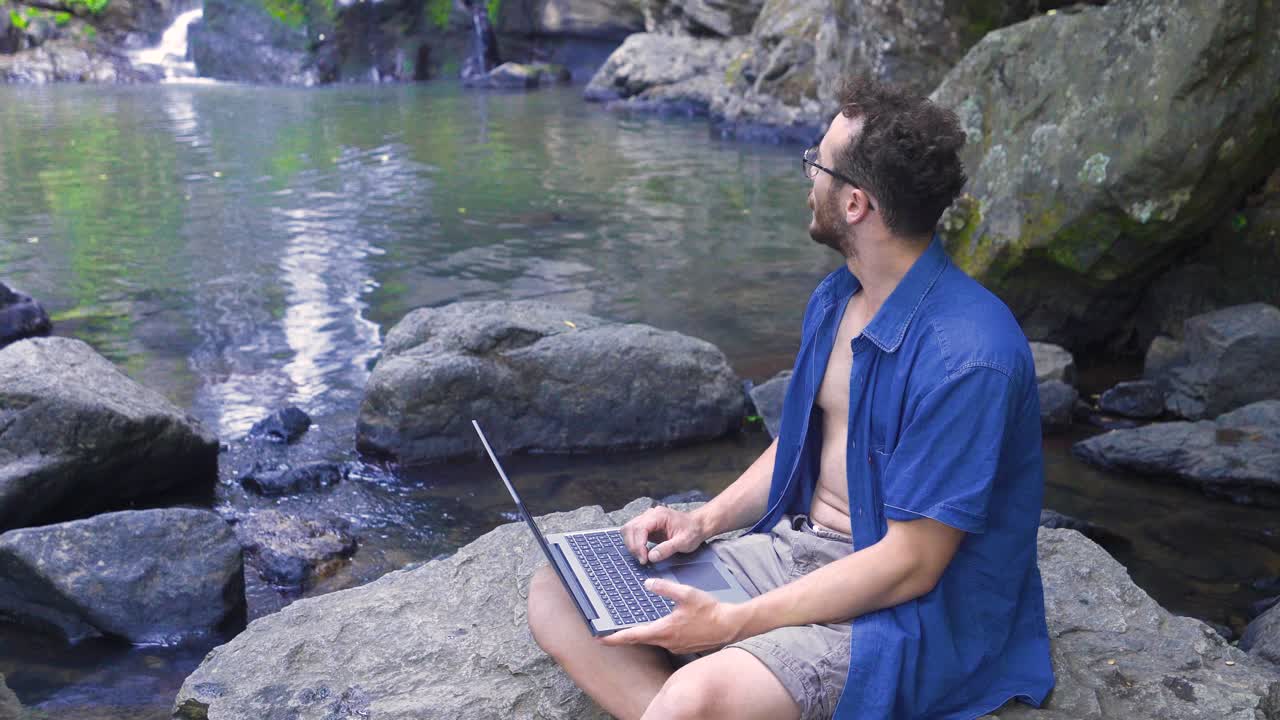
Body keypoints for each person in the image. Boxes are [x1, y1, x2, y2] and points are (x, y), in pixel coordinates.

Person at [526, 76, 1055, 720]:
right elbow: (799, 443)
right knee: (562, 593)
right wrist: (705, 520)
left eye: (817, 162)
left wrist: (733, 624)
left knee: (695, 697)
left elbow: (912, 565)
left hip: (912, 611)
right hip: (794, 554)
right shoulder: (838, 298)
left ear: (856, 203)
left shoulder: (969, 357)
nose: (807, 174)